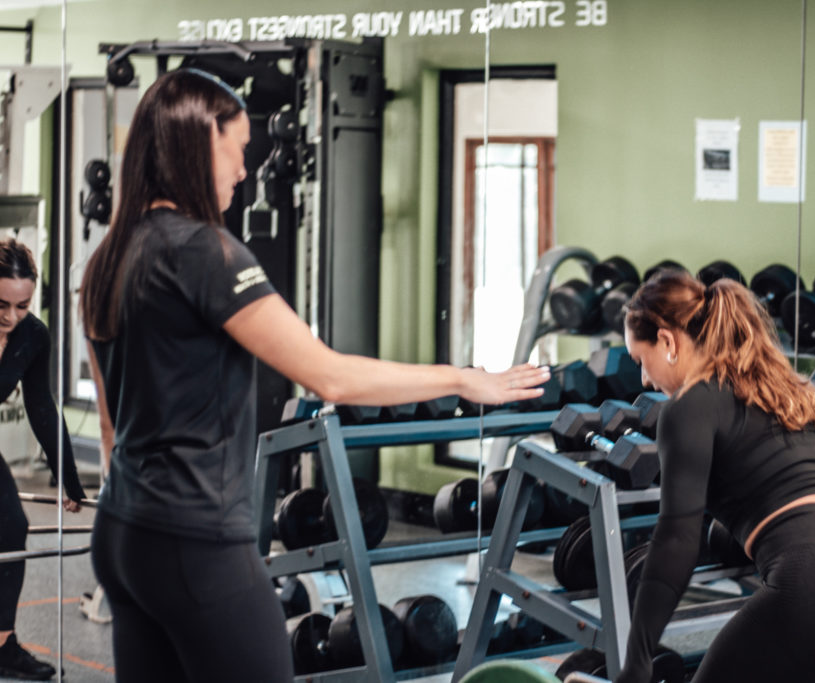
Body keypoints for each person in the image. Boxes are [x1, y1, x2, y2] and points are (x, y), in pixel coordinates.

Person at [78, 68, 549, 683]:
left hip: (122, 535)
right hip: (195, 541)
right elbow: (331, 378)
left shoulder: (107, 258)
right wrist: (462, 379)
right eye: (237, 149)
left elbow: (112, 429)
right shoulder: (205, 253)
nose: (245, 170)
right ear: (198, 145)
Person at [613, 271, 815, 683]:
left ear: (668, 341)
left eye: (641, 360)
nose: (644, 379)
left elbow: (677, 539)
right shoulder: (800, 395)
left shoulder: (688, 407)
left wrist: (637, 659)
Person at [0, 238, 85, 681]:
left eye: (22, 304)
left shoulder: (32, 335)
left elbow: (41, 408)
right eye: (1, 303)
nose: (11, 316)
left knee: (12, 524)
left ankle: (1, 644)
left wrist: (69, 480)